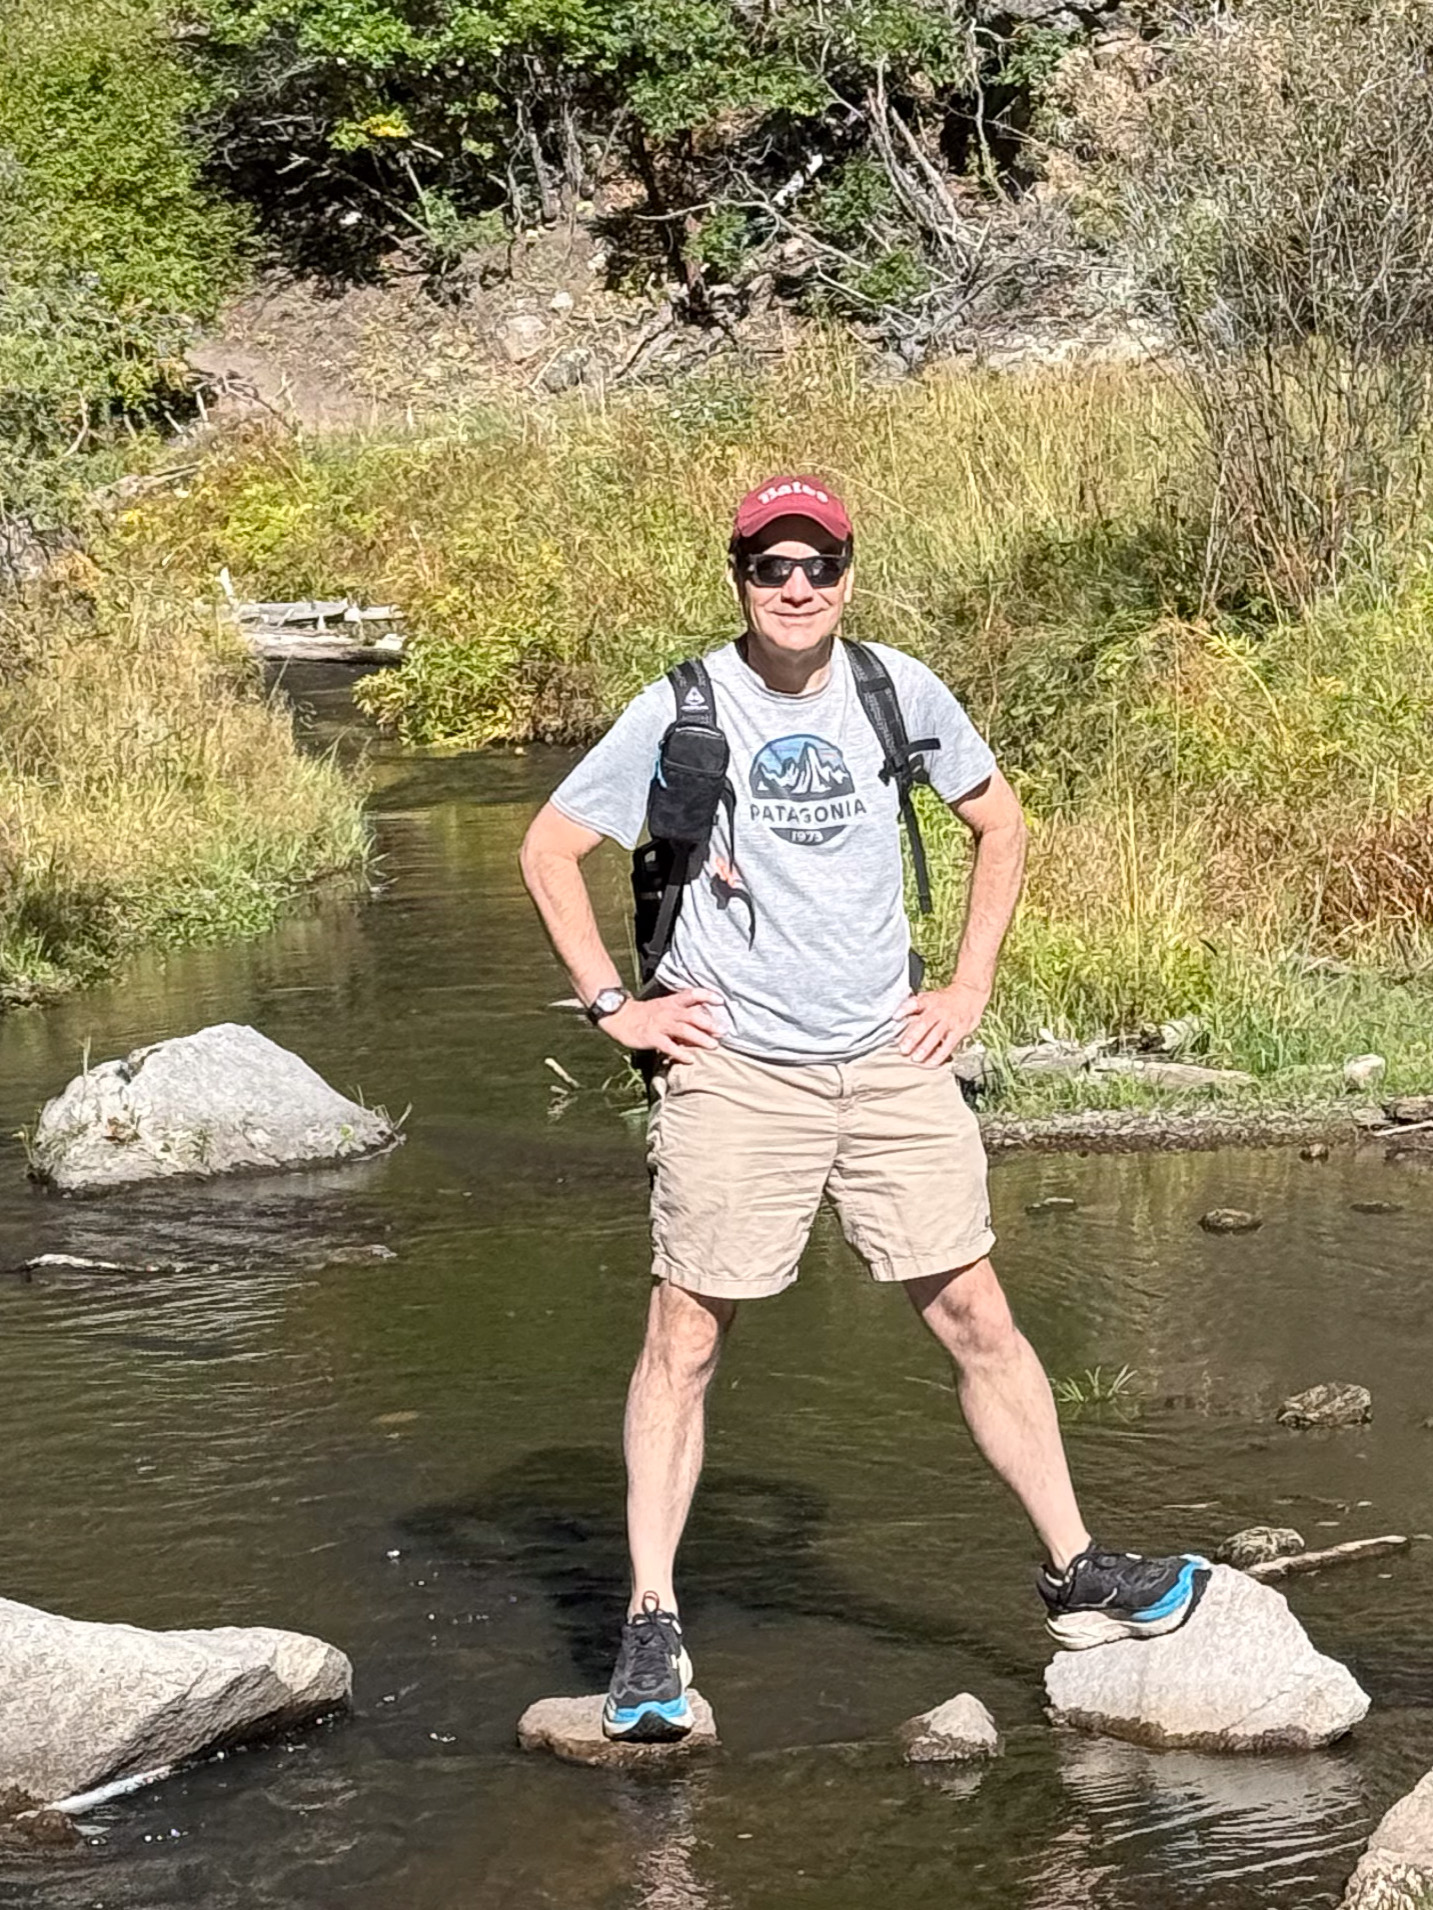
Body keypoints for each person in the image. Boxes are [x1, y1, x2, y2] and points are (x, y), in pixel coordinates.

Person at [519, 475, 1208, 1744]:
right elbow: (547, 847)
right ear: (737, 573)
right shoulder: (680, 703)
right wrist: (614, 1003)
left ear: (846, 574)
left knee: (975, 1314)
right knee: (686, 1332)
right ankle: (652, 1620)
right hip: (736, 1069)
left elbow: (997, 822)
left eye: (817, 565)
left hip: (890, 1061)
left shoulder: (897, 687)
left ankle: (1075, 1570)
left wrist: (967, 985)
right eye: (770, 565)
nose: (795, 587)